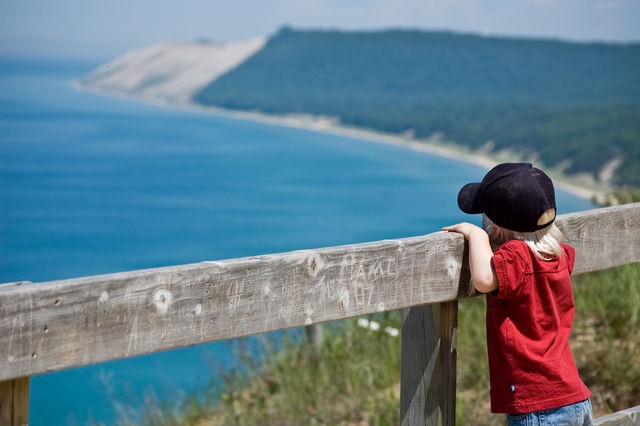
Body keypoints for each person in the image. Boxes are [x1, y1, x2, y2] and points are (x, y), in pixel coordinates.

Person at [442, 163, 592, 425]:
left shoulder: (517, 257)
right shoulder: (559, 255)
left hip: (539, 407)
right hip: (574, 397)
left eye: (484, 217)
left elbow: (484, 279)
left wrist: (476, 235)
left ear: (496, 228)